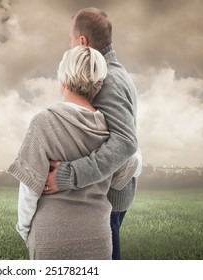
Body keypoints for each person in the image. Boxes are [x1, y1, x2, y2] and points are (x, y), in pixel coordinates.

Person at [8, 46, 138, 259]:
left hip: (50, 237)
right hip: (98, 239)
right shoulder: (111, 131)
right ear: (98, 82)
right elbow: (122, 176)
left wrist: (24, 230)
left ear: (63, 78)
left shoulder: (43, 122)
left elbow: (29, 189)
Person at [43, 7, 141, 260]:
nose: (69, 44)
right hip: (104, 193)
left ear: (82, 42)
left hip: (107, 199)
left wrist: (68, 176)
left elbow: (126, 142)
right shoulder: (110, 73)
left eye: (71, 38)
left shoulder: (108, 79)